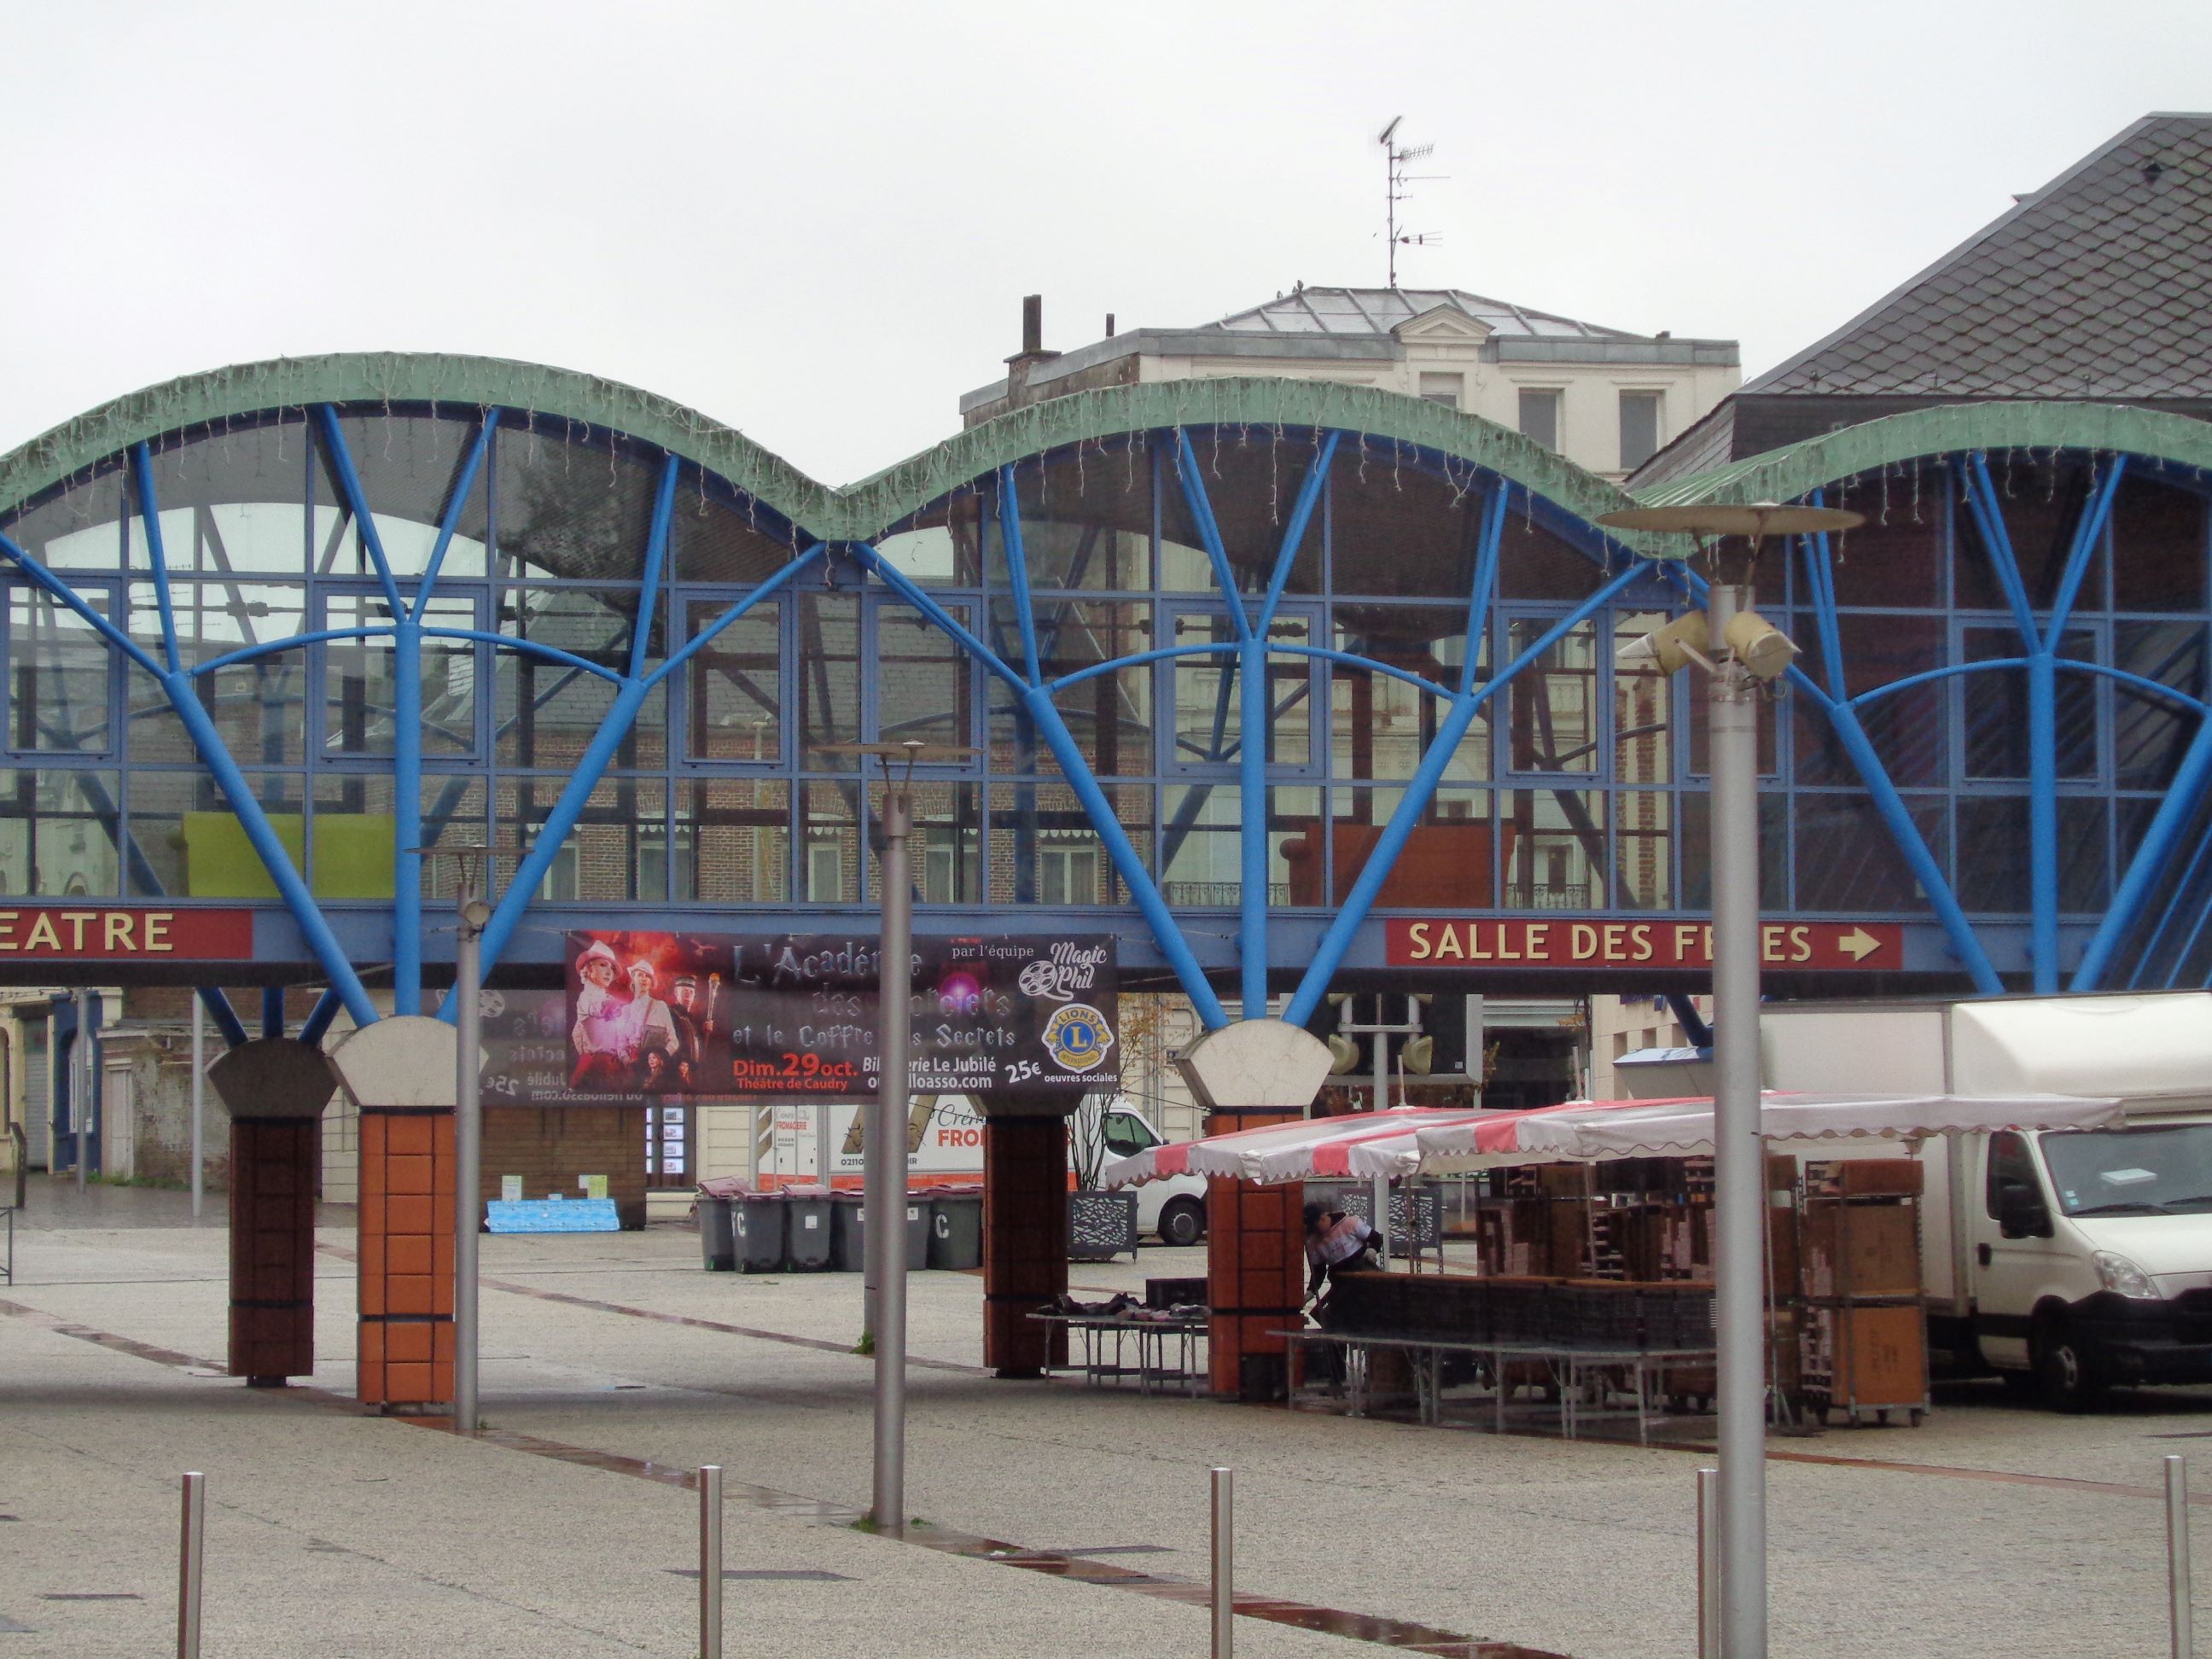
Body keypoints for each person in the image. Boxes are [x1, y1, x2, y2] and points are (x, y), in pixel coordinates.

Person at [1303, 1201, 1382, 1305]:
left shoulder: (1350, 1223)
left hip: (1363, 1272)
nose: (1315, 1232)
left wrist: (1372, 1250)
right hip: (1340, 1281)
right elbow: (1319, 1271)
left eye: (1316, 1228)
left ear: (1323, 1218)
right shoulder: (1314, 1243)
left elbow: (1375, 1238)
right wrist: (1311, 1291)